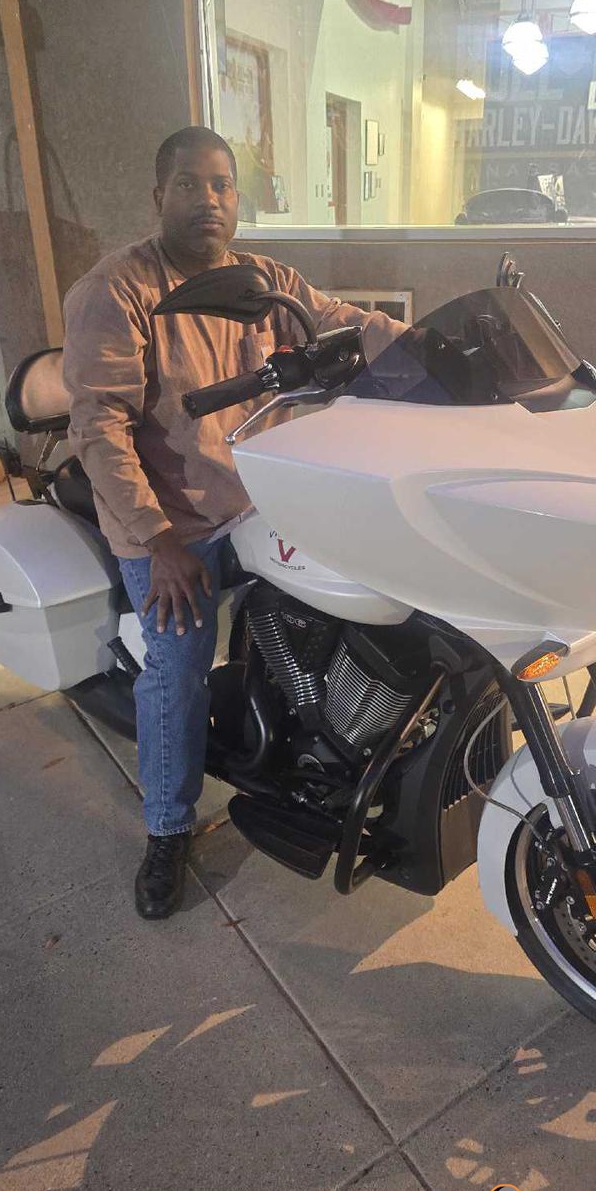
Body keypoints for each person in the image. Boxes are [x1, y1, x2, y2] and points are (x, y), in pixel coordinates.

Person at [63, 126, 402, 920]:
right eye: (189, 184)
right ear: (159, 196)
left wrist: (441, 350)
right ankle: (167, 828)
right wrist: (158, 540)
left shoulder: (265, 282)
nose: (208, 200)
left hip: (260, 498)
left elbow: (341, 322)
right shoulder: (119, 290)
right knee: (177, 664)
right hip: (168, 521)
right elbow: (99, 428)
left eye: (221, 185)